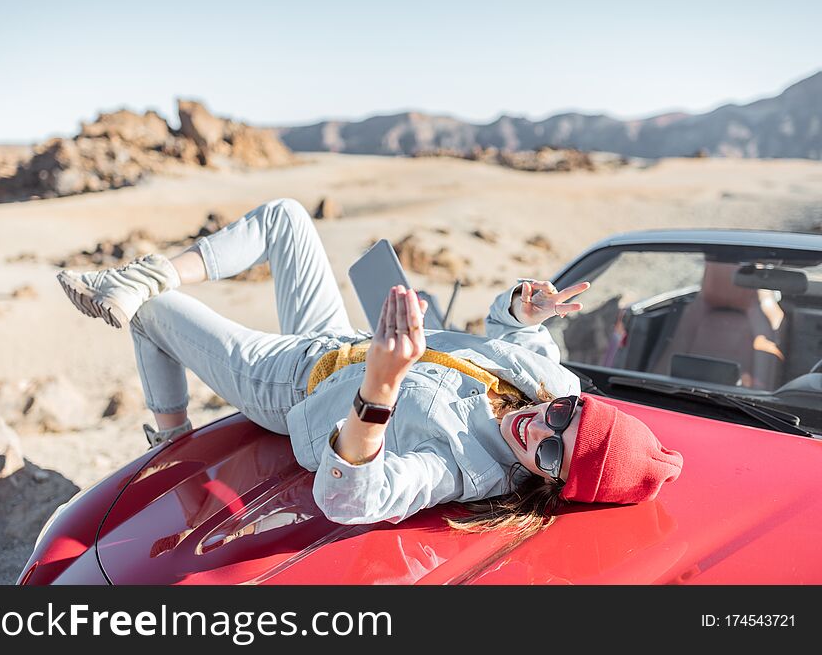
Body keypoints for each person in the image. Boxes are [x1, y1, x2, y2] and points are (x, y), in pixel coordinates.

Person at [57, 198, 683, 538]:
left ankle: (168, 444)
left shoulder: (464, 467)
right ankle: (138, 277)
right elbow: (508, 333)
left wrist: (380, 388)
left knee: (150, 310)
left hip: (290, 382)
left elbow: (351, 498)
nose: (541, 429)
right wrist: (524, 307)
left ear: (550, 483)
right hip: (338, 337)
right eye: (565, 416)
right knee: (286, 219)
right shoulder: (552, 385)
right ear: (577, 401)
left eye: (552, 455)